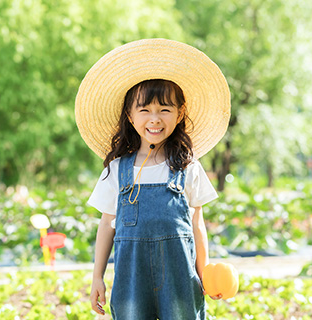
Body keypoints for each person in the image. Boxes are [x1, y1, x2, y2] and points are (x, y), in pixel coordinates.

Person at [75, 39, 231, 319]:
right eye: (145, 110)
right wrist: (97, 276)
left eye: (165, 110)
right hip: (131, 281)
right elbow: (107, 224)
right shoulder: (117, 169)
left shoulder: (188, 167)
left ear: (180, 113)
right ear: (130, 115)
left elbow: (197, 224)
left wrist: (204, 271)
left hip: (180, 277)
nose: (155, 119)